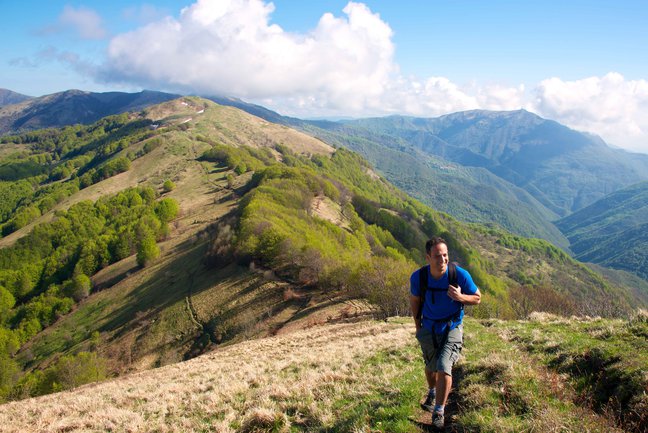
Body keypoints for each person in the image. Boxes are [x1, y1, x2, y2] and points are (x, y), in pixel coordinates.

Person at [410, 236, 481, 429]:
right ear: (428, 257)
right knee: (430, 367)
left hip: (452, 326)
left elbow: (477, 298)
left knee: (444, 365)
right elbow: (415, 302)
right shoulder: (419, 277)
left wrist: (460, 297)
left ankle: (439, 410)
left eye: (445, 255)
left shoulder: (459, 274)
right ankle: (432, 391)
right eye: (437, 256)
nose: (442, 260)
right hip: (429, 328)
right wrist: (419, 328)